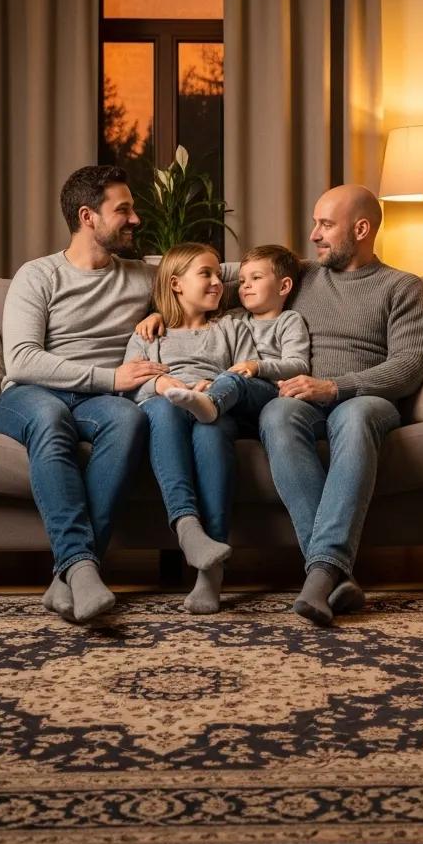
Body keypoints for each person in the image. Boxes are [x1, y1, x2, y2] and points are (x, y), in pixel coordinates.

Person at [0, 166, 168, 623]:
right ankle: (84, 565)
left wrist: (293, 266)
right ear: (88, 216)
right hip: (30, 395)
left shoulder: (141, 276)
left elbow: (212, 271)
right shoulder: (38, 275)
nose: (135, 220)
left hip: (96, 404)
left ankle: (69, 574)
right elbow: (23, 361)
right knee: (51, 421)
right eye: (123, 210)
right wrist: (112, 379)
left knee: (131, 420)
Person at [258, 184, 423, 626]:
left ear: (361, 229)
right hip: (302, 398)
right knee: (276, 412)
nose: (313, 234)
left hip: (366, 400)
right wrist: (164, 299)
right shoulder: (299, 275)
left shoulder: (402, 287)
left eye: (325, 225)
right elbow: (216, 273)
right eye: (315, 222)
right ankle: (333, 574)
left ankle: (320, 574)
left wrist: (335, 387)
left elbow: (408, 366)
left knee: (355, 417)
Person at [123, 243, 257, 615]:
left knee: (210, 431)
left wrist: (211, 390)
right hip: (165, 406)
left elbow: (244, 372)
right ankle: (188, 529)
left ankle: (210, 572)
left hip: (214, 408)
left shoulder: (232, 326)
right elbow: (132, 383)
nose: (218, 282)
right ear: (176, 283)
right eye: (206, 274)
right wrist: (166, 386)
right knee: (163, 413)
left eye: (218, 274)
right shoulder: (150, 333)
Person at [152, 244, 310, 428]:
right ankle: (209, 403)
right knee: (229, 380)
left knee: (232, 379)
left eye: (256, 278)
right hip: (234, 398)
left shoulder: (289, 320)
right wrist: (158, 315)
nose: (246, 286)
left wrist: (257, 366)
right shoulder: (231, 318)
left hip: (271, 392)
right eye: (241, 281)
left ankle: (211, 402)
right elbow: (206, 280)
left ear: (284, 286)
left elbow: (300, 365)